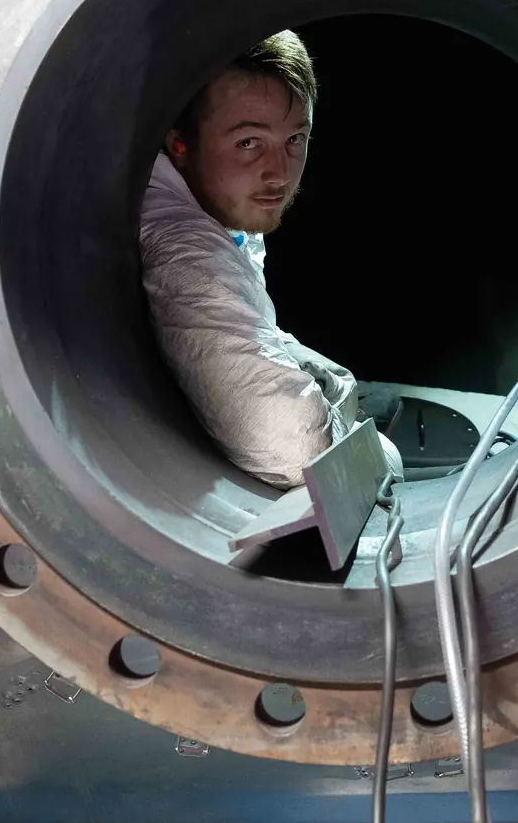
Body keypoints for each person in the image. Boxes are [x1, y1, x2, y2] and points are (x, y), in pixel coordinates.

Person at [139, 30, 396, 490]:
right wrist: (372, 448)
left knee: (359, 392)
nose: (279, 173)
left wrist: (336, 388)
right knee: (388, 455)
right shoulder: (184, 248)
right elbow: (297, 448)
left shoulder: (222, 198)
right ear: (180, 144)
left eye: (295, 138)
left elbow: (258, 327)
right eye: (248, 142)